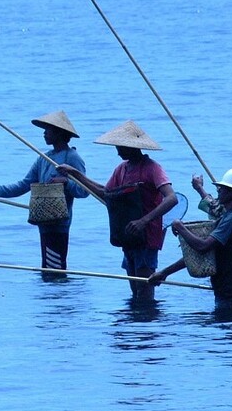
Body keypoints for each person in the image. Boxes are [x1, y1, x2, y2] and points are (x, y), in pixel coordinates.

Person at [55, 120, 177, 299]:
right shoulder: (121, 169)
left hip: (147, 236)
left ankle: (147, 323)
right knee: (134, 290)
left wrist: (144, 221)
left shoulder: (152, 168)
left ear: (132, 146)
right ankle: (135, 324)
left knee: (144, 290)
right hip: (128, 236)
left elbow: (171, 198)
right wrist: (76, 174)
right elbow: (106, 193)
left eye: (120, 146)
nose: (117, 150)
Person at [0, 110, 88, 273]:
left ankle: (57, 296)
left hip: (59, 223)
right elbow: (24, 185)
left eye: (48, 130)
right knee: (47, 267)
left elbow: (83, 191)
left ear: (59, 132)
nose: (44, 133)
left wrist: (66, 182)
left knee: (55, 268)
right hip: (44, 221)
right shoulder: (44, 158)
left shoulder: (72, 158)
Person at [151, 167, 232, 313]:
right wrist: (164, 273)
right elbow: (199, 255)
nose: (219, 190)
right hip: (227, 288)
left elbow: (203, 247)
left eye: (223, 188)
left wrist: (180, 228)